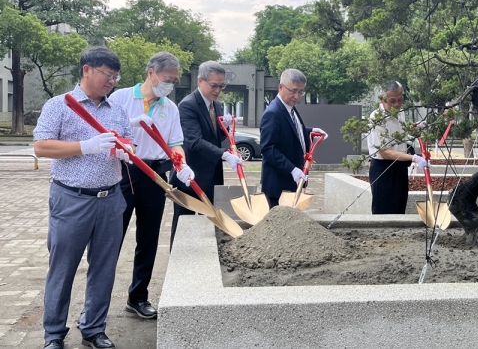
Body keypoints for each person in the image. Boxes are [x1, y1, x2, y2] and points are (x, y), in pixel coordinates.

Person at [33, 47, 133, 349]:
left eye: (115, 77)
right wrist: (84, 146)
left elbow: (125, 142)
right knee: (63, 267)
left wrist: (126, 151)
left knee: (104, 267)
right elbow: (41, 147)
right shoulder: (60, 105)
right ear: (87, 70)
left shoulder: (116, 109)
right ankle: (53, 334)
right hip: (72, 198)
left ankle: (93, 328)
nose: (112, 82)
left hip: (111, 198)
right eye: (107, 75)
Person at [108, 52, 195, 320]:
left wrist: (180, 163)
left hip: (156, 176)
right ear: (151, 73)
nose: (169, 85)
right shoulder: (120, 98)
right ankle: (95, 302)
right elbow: (104, 132)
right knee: (110, 239)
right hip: (123, 173)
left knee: (148, 238)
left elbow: (174, 142)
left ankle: (138, 297)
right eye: (166, 79)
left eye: (173, 81)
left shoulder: (170, 107)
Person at [169, 60, 242, 247]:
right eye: (214, 86)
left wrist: (230, 148)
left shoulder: (215, 106)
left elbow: (214, 138)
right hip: (190, 177)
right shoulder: (188, 105)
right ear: (200, 81)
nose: (218, 90)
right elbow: (194, 141)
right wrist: (224, 155)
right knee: (183, 229)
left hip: (211, 177)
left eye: (221, 86)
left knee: (208, 226)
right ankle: (179, 268)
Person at [260, 68, 328, 208]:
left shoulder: (289, 108)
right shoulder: (273, 112)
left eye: (301, 92)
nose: (297, 96)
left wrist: (309, 131)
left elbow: (291, 131)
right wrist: (293, 169)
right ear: (280, 87)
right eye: (293, 90)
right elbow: (268, 148)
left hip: (291, 183)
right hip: (279, 185)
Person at [367, 81, 429, 214]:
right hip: (383, 168)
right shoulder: (376, 119)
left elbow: (399, 132)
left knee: (400, 207)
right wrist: (414, 158)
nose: (397, 104)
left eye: (400, 99)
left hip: (400, 166)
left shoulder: (400, 111)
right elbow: (385, 152)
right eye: (392, 101)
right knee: (384, 210)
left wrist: (415, 125)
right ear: (382, 100)